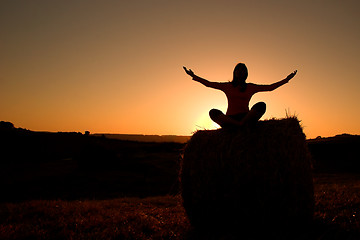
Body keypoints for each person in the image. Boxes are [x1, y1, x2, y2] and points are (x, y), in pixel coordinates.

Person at [183, 63, 297, 128]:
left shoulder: (251, 87)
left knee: (261, 105)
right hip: (230, 119)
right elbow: (209, 84)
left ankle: (241, 124)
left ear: (246, 73)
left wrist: (286, 80)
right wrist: (194, 76)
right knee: (212, 112)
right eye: (238, 70)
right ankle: (239, 125)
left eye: (243, 70)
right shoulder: (227, 86)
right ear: (234, 73)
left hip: (246, 117)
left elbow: (270, 87)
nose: (241, 72)